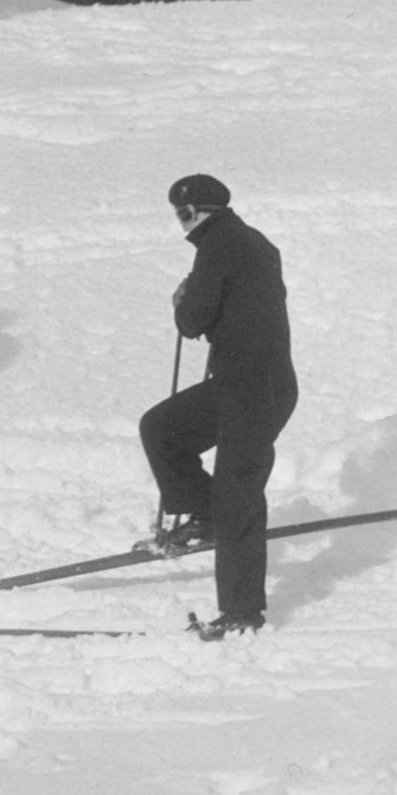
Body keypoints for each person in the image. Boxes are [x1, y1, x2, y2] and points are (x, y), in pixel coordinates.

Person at [137, 173, 298, 639]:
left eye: (183, 214)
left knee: (237, 494)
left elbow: (193, 320)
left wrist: (181, 302)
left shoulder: (218, 246)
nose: (182, 224)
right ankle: (206, 516)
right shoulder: (252, 242)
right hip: (246, 383)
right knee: (163, 428)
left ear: (200, 212)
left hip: (254, 388)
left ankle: (243, 611)